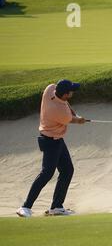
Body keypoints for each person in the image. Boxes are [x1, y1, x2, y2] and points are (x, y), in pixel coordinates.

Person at [16, 80, 86, 217]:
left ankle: (57, 207)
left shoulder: (50, 89)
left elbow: (66, 105)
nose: (73, 92)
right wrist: (79, 119)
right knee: (47, 173)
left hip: (56, 140)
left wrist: (75, 114)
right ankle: (25, 206)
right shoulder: (60, 112)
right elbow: (71, 119)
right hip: (50, 142)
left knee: (67, 170)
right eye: (71, 91)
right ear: (65, 94)